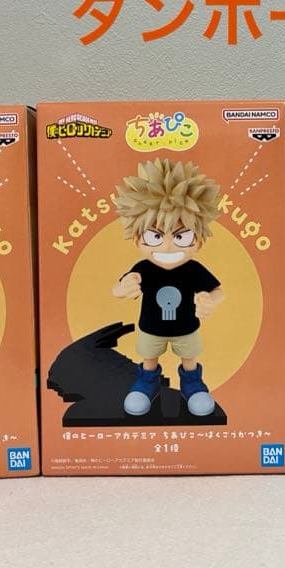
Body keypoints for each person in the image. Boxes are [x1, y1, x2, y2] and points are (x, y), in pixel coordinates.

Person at [112, 159, 224, 417]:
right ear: (137, 238)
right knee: (149, 360)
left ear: (199, 240)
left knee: (190, 359)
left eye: (181, 236)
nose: (167, 246)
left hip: (187, 329)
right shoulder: (143, 268)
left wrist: (209, 299)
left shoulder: (193, 269)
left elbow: (219, 291)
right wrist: (124, 288)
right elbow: (117, 289)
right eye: (155, 236)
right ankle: (147, 383)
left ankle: (192, 384)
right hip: (151, 329)